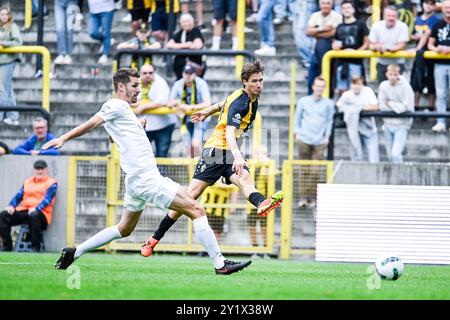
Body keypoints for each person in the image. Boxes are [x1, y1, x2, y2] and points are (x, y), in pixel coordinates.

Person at [43, 68, 251, 274]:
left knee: (124, 229)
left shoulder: (124, 111)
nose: (138, 91)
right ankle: (220, 264)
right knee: (196, 210)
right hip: (146, 178)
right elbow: (90, 124)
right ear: (121, 87)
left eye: (139, 86)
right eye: (134, 86)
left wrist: (138, 126)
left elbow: (113, 137)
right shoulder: (114, 105)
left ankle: (75, 252)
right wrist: (63, 138)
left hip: (135, 181)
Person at [140, 60, 284, 258]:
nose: (259, 84)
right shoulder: (241, 102)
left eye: (260, 80)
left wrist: (207, 111)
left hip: (229, 153)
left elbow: (222, 104)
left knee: (245, 179)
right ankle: (154, 238)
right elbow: (230, 132)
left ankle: (261, 203)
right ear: (245, 82)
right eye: (254, 81)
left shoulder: (248, 97)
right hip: (215, 152)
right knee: (188, 199)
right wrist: (238, 157)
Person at [294, 76, 335, 206]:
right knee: (304, 169)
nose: (319, 88)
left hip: (319, 141)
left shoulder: (328, 104)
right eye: (317, 86)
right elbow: (297, 118)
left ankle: (313, 198)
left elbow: (329, 121)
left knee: (315, 171)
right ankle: (303, 198)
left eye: (322, 86)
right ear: (313, 86)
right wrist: (297, 133)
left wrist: (327, 136)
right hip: (304, 138)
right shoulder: (303, 101)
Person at [0, 160, 57, 252]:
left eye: (42, 168)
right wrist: (11, 206)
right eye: (37, 168)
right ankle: (7, 246)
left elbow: (47, 200)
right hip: (26, 211)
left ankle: (35, 248)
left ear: (46, 170)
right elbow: (18, 196)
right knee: (3, 214)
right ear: (34, 170)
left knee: (34, 215)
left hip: (42, 214)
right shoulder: (28, 182)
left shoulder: (51, 183)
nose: (40, 171)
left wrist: (36, 208)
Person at [167, 64, 211, 157]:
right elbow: (169, 103)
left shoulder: (201, 83)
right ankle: (191, 171)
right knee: (188, 149)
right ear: (182, 74)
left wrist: (191, 107)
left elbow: (207, 103)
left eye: (190, 73)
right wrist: (178, 103)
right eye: (186, 73)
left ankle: (200, 168)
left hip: (199, 119)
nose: (188, 75)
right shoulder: (178, 84)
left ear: (194, 74)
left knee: (195, 145)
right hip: (185, 120)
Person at [133, 63, 176, 158]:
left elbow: (161, 101)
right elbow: (130, 101)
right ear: (140, 73)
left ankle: (160, 173)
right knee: (142, 156)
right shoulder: (135, 82)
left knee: (161, 155)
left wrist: (142, 106)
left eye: (150, 73)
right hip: (143, 126)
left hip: (163, 126)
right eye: (144, 73)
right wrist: (145, 103)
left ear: (154, 73)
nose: (148, 75)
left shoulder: (160, 82)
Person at [336, 76, 380, 163]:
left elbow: (375, 106)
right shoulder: (347, 94)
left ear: (362, 84)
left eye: (358, 84)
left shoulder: (368, 91)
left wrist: (358, 108)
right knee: (356, 157)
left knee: (374, 158)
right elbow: (339, 106)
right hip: (355, 130)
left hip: (369, 129)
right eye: (354, 84)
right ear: (351, 85)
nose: (356, 86)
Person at [378, 64, 415, 163]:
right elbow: (382, 106)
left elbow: (405, 107)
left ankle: (400, 176)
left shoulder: (406, 87)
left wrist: (389, 103)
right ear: (386, 74)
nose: (393, 77)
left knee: (396, 154)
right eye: (390, 74)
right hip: (387, 124)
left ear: (399, 74)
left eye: (395, 74)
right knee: (390, 156)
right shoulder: (383, 86)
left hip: (402, 124)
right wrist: (396, 106)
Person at [332, 0, 369, 96]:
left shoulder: (361, 24)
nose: (346, 10)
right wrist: (335, 47)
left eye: (348, 8)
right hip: (341, 62)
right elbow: (335, 43)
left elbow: (366, 43)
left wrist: (356, 52)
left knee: (357, 89)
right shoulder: (339, 26)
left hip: (356, 62)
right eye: (343, 8)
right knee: (342, 90)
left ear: (353, 9)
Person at [306, 0, 342, 94]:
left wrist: (316, 32)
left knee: (329, 78)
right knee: (311, 79)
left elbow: (333, 33)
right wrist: (323, 29)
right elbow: (308, 32)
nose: (325, 5)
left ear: (332, 4)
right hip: (315, 51)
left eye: (328, 3)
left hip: (331, 51)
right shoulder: (314, 15)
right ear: (319, 4)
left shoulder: (337, 16)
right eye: (323, 3)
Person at [409, 0, 440, 110]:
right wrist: (414, 37)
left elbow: (427, 34)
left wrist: (417, 47)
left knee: (431, 80)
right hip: (419, 55)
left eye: (431, 4)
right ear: (422, 4)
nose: (428, 6)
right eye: (426, 3)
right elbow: (411, 35)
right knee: (416, 79)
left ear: (434, 6)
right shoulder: (417, 19)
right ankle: (415, 105)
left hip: (432, 54)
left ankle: (431, 106)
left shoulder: (436, 20)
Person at [369, 5, 410, 84]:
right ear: (384, 16)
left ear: (397, 17)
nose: (391, 18)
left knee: (398, 89)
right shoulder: (376, 26)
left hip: (397, 63)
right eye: (389, 15)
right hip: (382, 63)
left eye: (393, 16)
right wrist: (377, 47)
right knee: (382, 88)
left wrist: (386, 48)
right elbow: (371, 45)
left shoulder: (403, 26)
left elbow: (401, 45)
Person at [428, 0, 450, 132]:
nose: (448, 10)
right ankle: (441, 122)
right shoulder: (437, 25)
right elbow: (430, 44)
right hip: (440, 64)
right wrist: (437, 50)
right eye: (446, 7)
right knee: (441, 94)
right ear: (442, 9)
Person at [0, 6, 22, 126]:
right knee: (8, 89)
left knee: (2, 90)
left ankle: (5, 114)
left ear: (9, 16)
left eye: (5, 14)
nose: (3, 16)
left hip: (8, 60)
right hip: (1, 61)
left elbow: (18, 42)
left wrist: (4, 43)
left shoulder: (12, 27)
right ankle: (13, 116)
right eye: (1, 14)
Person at [166, 13, 205, 79]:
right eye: (184, 22)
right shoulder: (180, 32)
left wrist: (178, 46)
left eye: (188, 21)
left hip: (194, 64)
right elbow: (169, 44)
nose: (186, 23)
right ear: (181, 24)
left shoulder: (195, 31)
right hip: (179, 66)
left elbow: (198, 45)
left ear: (192, 22)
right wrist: (186, 44)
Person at [87, 0, 116, 65]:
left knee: (106, 32)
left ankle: (105, 54)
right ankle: (107, 41)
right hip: (93, 10)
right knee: (92, 33)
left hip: (107, 9)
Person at [54, 0, 79, 65]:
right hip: (58, 2)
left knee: (69, 29)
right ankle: (62, 53)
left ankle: (68, 55)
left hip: (72, 2)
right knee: (59, 28)